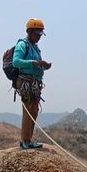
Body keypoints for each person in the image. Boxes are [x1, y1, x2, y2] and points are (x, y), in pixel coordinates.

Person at [13, 18, 52, 149]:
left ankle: (28, 139)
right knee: (29, 109)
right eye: (37, 34)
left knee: (34, 110)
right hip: (25, 82)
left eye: (40, 35)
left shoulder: (35, 48)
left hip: (34, 83)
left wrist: (44, 66)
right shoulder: (22, 45)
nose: (39, 37)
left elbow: (37, 65)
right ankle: (25, 140)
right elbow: (16, 61)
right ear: (29, 32)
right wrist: (32, 63)